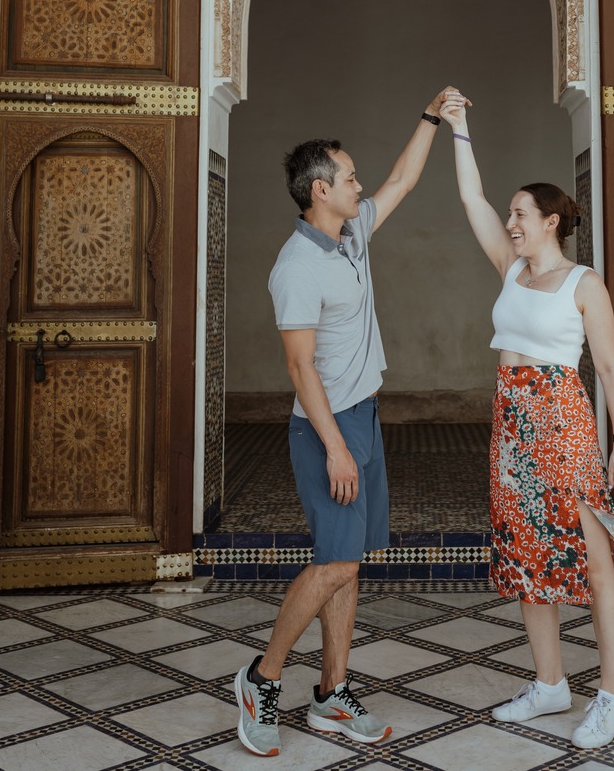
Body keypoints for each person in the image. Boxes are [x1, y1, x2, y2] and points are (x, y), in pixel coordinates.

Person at [234, 87, 462, 758]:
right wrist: (335, 446)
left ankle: (332, 692)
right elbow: (300, 369)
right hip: (324, 428)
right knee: (334, 562)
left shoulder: (352, 232)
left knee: (350, 565)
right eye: (350, 177)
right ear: (320, 191)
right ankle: (260, 678)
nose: (361, 184)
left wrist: (430, 116)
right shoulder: (297, 266)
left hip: (362, 415)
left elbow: (403, 178)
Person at [438, 92, 614, 751]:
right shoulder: (511, 271)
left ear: (550, 221)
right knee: (526, 556)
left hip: (563, 423)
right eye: (510, 213)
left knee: (596, 561)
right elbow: (472, 201)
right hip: (510, 427)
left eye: (520, 213)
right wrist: (460, 129)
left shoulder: (581, 282)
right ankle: (548, 684)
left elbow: (612, 369)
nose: (509, 221)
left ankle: (613, 693)